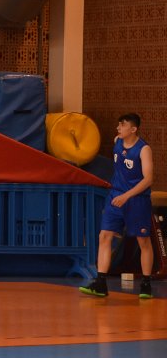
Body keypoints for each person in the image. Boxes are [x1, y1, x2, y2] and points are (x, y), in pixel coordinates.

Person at [80, 113, 155, 299]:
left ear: (133, 129)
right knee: (104, 236)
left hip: (136, 199)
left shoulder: (143, 149)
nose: (118, 128)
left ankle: (146, 283)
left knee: (143, 241)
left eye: (122, 125)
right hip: (115, 196)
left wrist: (127, 196)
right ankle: (100, 282)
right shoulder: (117, 142)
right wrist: (120, 195)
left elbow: (148, 179)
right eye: (119, 124)